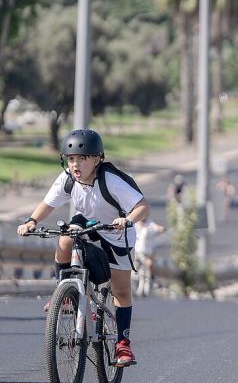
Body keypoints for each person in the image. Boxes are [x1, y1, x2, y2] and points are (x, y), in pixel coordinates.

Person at [17, 129, 149, 367]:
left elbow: (142, 206)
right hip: (88, 220)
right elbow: (48, 204)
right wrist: (31, 221)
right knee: (65, 237)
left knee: (120, 291)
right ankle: (64, 293)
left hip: (116, 231)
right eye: (70, 159)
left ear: (97, 159)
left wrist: (127, 219)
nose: (75, 164)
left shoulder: (111, 180)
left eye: (82, 158)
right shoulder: (68, 179)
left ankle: (123, 345)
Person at [133, 218, 165, 291]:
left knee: (149, 264)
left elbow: (157, 227)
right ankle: (135, 277)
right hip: (138, 250)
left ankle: (151, 278)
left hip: (148, 250)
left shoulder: (150, 223)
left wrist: (161, 229)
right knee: (135, 266)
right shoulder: (134, 224)